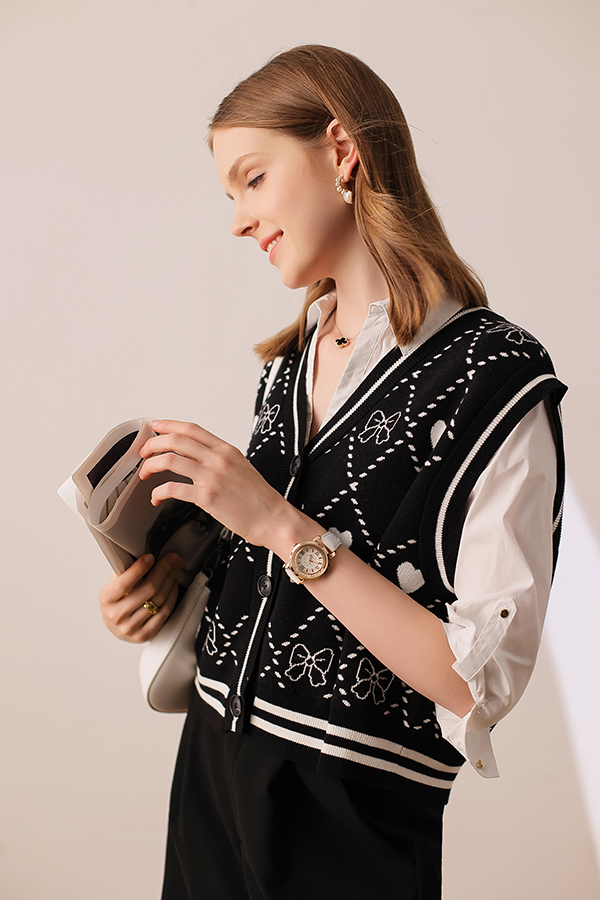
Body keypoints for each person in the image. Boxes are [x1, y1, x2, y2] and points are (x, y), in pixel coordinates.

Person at [99, 45, 566, 900]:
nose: (239, 220)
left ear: (341, 150)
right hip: (207, 779)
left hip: (349, 816)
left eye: (252, 179)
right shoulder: (289, 364)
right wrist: (167, 596)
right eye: (230, 195)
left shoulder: (499, 379)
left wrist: (280, 526)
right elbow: (266, 590)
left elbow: (478, 685)